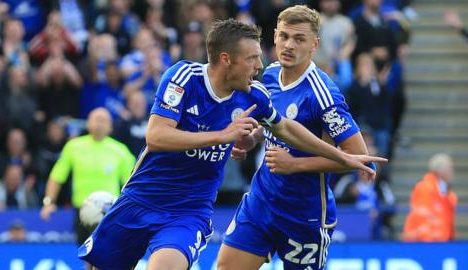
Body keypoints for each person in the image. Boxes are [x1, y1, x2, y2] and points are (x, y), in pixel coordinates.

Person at [78, 19, 385, 270]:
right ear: (227, 60)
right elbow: (156, 137)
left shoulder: (255, 94)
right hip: (141, 198)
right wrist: (224, 135)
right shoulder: (184, 77)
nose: (260, 64)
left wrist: (345, 158)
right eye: (252, 58)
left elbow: (286, 128)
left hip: (189, 211)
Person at [217, 6, 383, 270]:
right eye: (284, 36)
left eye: (299, 39)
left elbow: (359, 159)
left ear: (315, 44)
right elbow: (273, 122)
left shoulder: (323, 95)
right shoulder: (270, 74)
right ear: (274, 37)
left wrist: (295, 165)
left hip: (304, 215)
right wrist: (253, 138)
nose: (289, 45)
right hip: (262, 200)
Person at [40, 108, 135, 245]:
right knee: (86, 256)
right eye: (96, 119)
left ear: (110, 127)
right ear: (88, 123)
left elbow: (131, 183)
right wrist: (48, 203)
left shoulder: (120, 150)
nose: (99, 124)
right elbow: (57, 176)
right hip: (82, 211)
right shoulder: (73, 146)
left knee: (106, 255)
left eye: (104, 120)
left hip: (110, 211)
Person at [402, 153, 457, 242]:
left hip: (442, 244)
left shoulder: (447, 193)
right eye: (449, 168)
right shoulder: (425, 188)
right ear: (440, 170)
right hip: (425, 244)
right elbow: (422, 217)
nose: (452, 172)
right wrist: (428, 245)